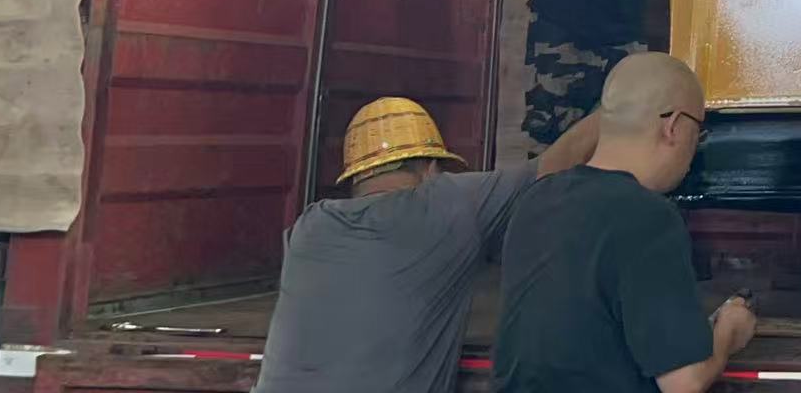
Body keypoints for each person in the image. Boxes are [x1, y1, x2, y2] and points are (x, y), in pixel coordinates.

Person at [255, 95, 601, 393]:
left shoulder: (308, 227)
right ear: (431, 167)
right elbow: (561, 160)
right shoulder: (447, 206)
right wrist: (619, 103)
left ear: (356, 175)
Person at [492, 52, 757, 393]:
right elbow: (684, 382)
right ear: (673, 126)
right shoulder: (649, 217)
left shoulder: (536, 200)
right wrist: (729, 332)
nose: (695, 148)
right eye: (698, 133)